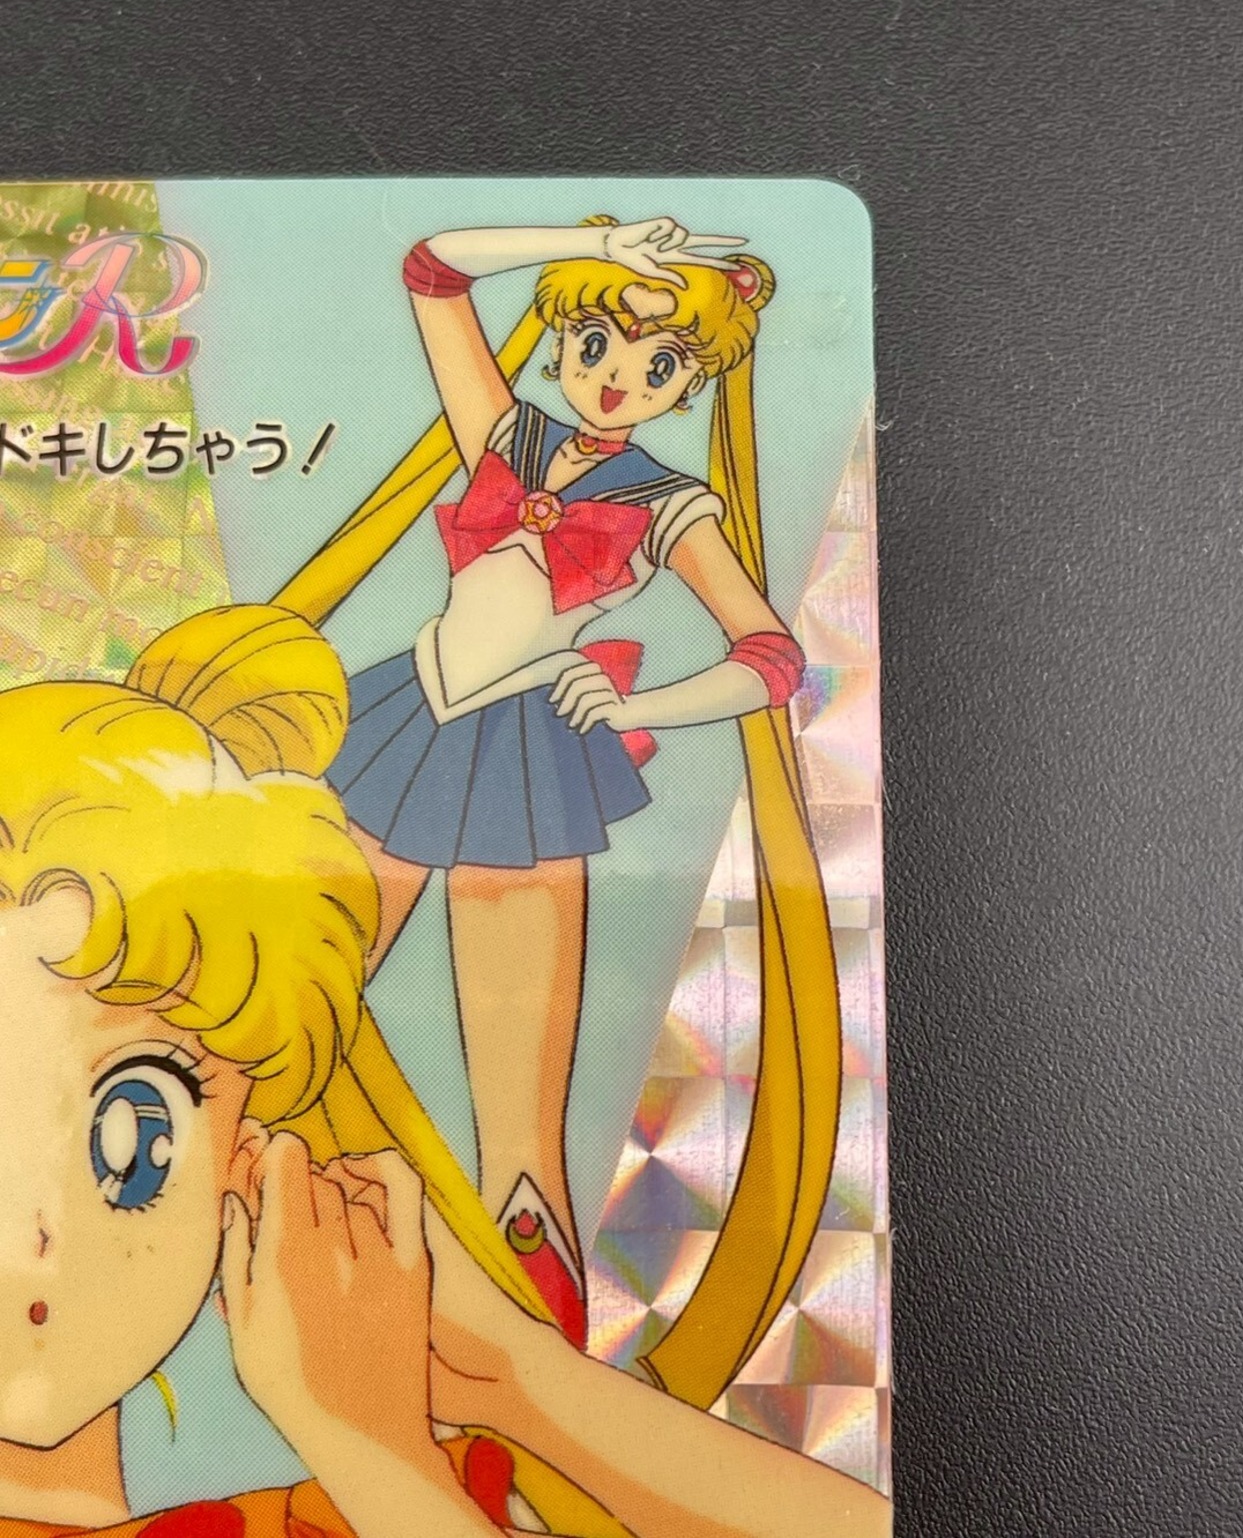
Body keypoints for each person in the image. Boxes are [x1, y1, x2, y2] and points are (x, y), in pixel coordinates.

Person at [0, 606, 891, 1538]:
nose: (35, 1240)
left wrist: (515, 1377)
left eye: (135, 1140)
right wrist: (377, 1453)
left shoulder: (354, 1501)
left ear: (241, 1164)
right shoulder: (383, 1484)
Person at [323, 216, 810, 1343]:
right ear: (558, 343)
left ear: (690, 380)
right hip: (407, 719)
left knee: (521, 1138)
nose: (617, 377)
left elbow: (771, 659)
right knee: (286, 1012)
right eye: (595, 343)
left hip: (528, 764)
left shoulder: (671, 504)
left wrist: (639, 706)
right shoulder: (504, 432)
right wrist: (593, 239)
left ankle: (532, 1388)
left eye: (658, 362)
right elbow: (433, 271)